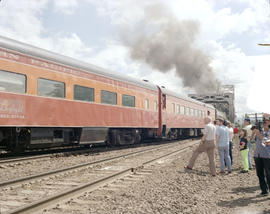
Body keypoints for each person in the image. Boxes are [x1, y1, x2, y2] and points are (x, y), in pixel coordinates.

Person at [252, 119, 270, 196]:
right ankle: (264, 190)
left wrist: (258, 134)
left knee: (269, 174)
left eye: (266, 122)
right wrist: (253, 133)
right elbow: (251, 141)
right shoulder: (260, 131)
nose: (264, 123)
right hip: (257, 155)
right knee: (260, 174)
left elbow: (267, 142)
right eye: (263, 122)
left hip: (267, 156)